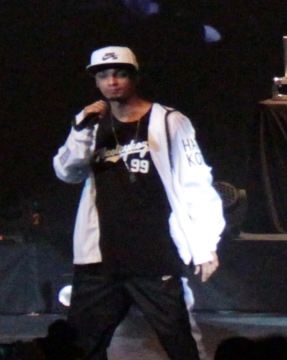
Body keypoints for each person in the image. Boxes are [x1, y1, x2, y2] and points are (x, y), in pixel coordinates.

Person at [53, 47, 225, 360]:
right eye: (103, 75)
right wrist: (82, 131)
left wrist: (205, 245)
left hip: (153, 254)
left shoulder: (169, 121)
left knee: (180, 343)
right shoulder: (89, 122)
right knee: (81, 346)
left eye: (120, 74)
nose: (112, 82)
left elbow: (196, 183)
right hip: (100, 257)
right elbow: (67, 172)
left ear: (134, 77)